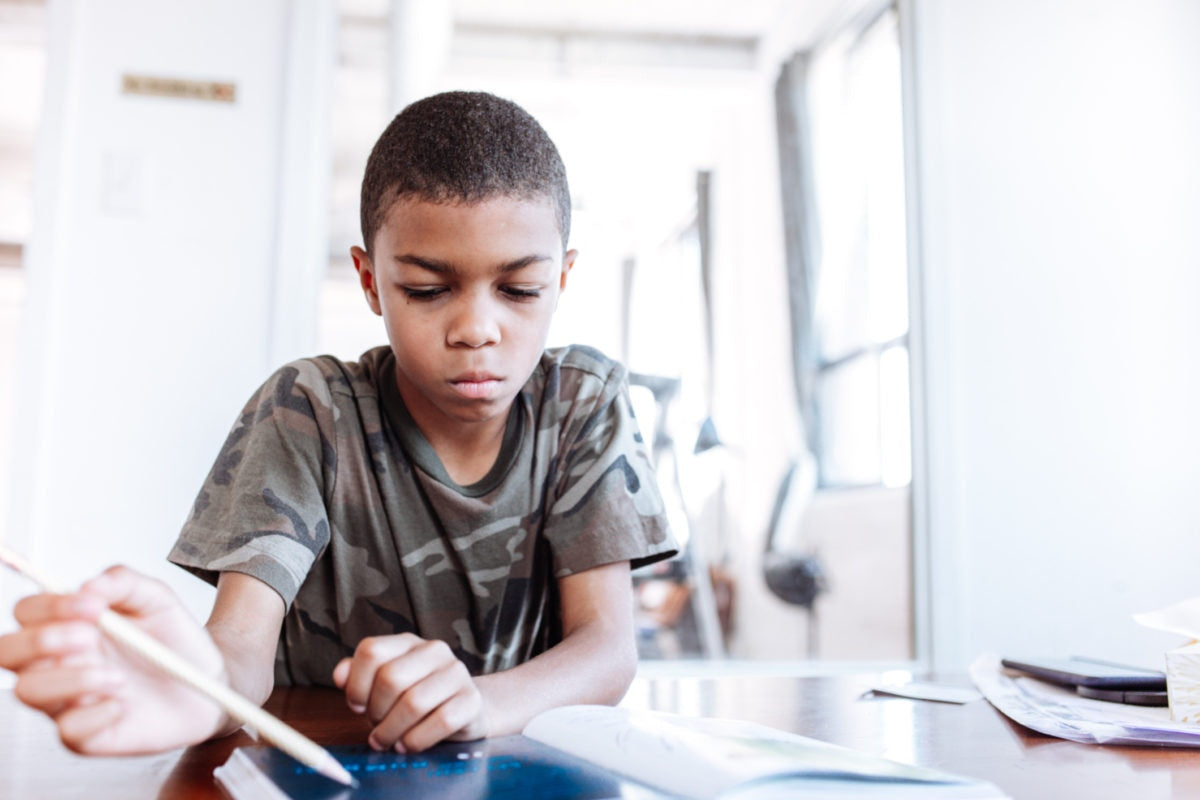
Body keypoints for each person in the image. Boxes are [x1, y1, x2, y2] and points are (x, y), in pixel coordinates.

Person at [0, 91, 676, 757]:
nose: (476, 329)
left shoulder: (584, 404)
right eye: (426, 289)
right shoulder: (310, 410)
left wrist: (484, 702)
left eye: (520, 291)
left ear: (562, 278)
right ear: (369, 279)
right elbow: (240, 648)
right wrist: (202, 686)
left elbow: (607, 648)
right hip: (328, 757)